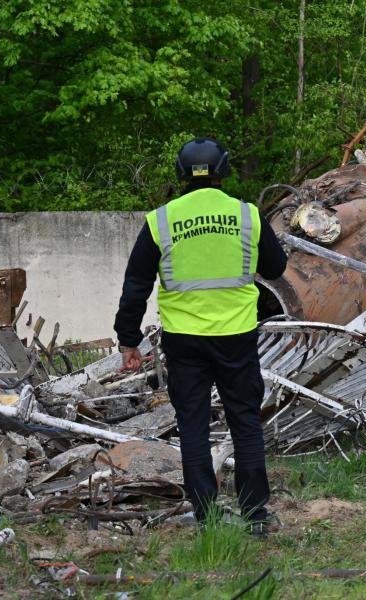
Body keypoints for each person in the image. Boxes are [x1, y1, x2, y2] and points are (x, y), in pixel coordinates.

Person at [114, 137, 288, 533]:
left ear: (180, 173)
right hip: (236, 336)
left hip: (184, 340)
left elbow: (135, 284)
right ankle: (255, 515)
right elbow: (276, 269)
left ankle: (206, 515)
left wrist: (129, 338)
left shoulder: (161, 220)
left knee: (192, 424)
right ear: (224, 170)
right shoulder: (247, 216)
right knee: (244, 421)